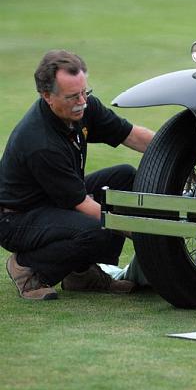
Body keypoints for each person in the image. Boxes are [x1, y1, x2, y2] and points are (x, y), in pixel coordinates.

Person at [0, 50, 155, 301]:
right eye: (72, 96)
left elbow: (131, 135)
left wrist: (179, 149)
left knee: (124, 177)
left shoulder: (84, 107)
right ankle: (28, 267)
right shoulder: (40, 143)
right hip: (17, 219)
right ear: (47, 96)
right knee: (101, 227)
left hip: (54, 200)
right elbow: (82, 204)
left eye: (85, 92)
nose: (82, 101)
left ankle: (82, 275)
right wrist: (139, 230)